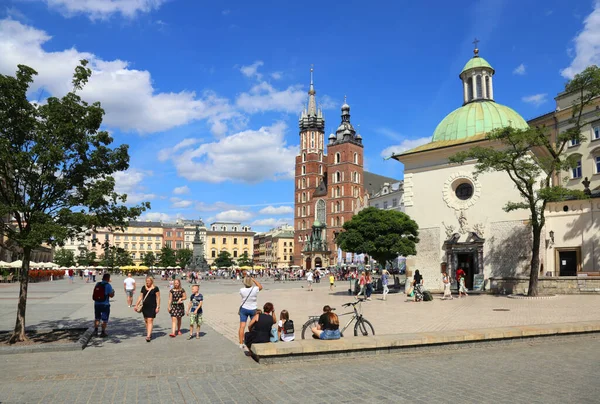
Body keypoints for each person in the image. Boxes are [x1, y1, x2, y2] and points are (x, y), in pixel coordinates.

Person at [238, 276, 263, 349]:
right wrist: (254, 279)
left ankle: (241, 343)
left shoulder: (242, 290)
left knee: (242, 326)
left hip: (244, 308)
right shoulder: (255, 289)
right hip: (253, 309)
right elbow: (260, 287)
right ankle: (254, 339)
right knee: (254, 326)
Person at [134, 276, 160, 342]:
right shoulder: (143, 287)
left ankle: (148, 336)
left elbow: (158, 298)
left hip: (152, 306)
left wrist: (158, 307)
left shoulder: (155, 288)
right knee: (146, 320)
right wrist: (136, 305)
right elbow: (140, 296)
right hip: (145, 307)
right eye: (146, 280)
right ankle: (149, 332)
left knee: (150, 320)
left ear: (151, 281)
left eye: (149, 281)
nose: (147, 282)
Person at [93, 273, 115, 338]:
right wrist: (113, 292)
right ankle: (103, 332)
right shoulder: (108, 285)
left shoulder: (97, 284)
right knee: (104, 319)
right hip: (105, 304)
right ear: (108, 278)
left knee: (97, 318)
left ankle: (96, 331)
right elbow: (111, 295)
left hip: (97, 304)